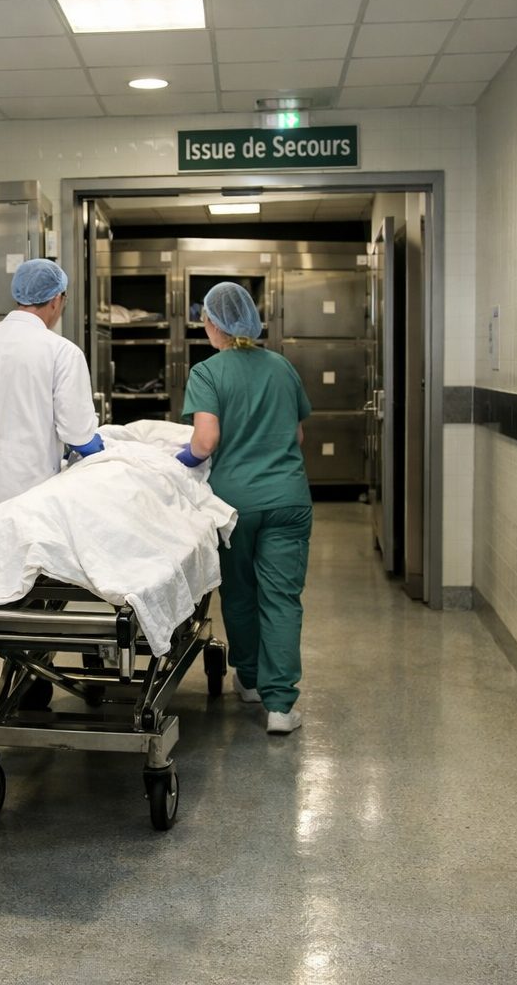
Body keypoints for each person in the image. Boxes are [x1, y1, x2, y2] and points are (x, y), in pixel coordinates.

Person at [0, 258, 103, 759]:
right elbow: (79, 433)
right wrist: (101, 455)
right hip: (25, 503)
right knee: (32, 605)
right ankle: (30, 689)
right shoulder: (60, 352)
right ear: (56, 300)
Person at [177, 282, 313, 735]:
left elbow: (205, 441)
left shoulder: (208, 373)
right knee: (281, 597)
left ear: (213, 325)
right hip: (287, 500)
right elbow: (296, 438)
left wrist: (179, 460)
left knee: (239, 593)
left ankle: (250, 681)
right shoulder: (283, 367)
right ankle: (279, 706)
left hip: (234, 506)